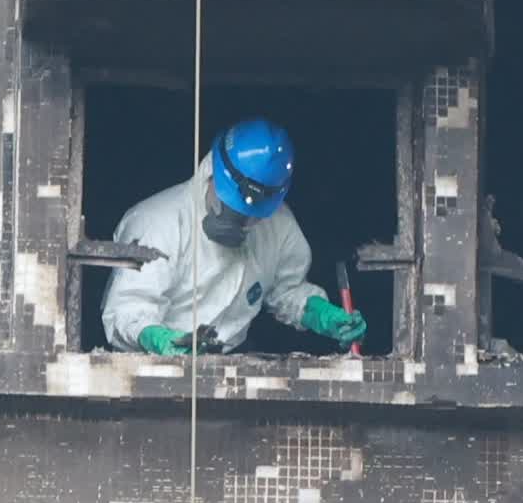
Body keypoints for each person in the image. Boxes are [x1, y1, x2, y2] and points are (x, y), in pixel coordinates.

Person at [101, 117, 368, 356]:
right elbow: (127, 310)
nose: (247, 224)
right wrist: (158, 339)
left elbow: (286, 290)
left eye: (255, 216)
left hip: (231, 365)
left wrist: (322, 314)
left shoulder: (278, 225)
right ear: (215, 175)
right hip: (149, 366)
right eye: (236, 213)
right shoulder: (156, 222)